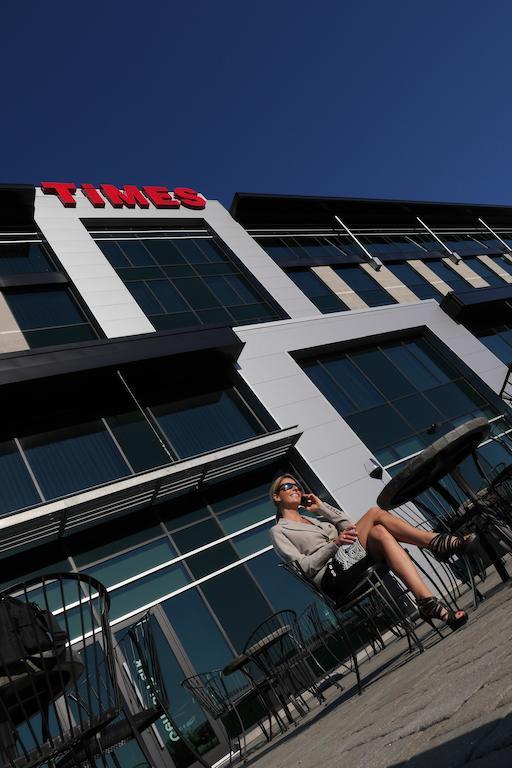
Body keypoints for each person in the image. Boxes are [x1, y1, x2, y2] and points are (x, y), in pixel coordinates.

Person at [269, 474, 479, 630]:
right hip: (331, 578)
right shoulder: (279, 531)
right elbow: (304, 568)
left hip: (349, 562)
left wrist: (322, 507)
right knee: (374, 514)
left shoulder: (315, 520)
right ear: (277, 497)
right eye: (288, 486)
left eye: (297, 485)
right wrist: (334, 544)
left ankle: (428, 603)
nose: (295, 488)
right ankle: (435, 542)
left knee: (379, 531)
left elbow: (350, 528)